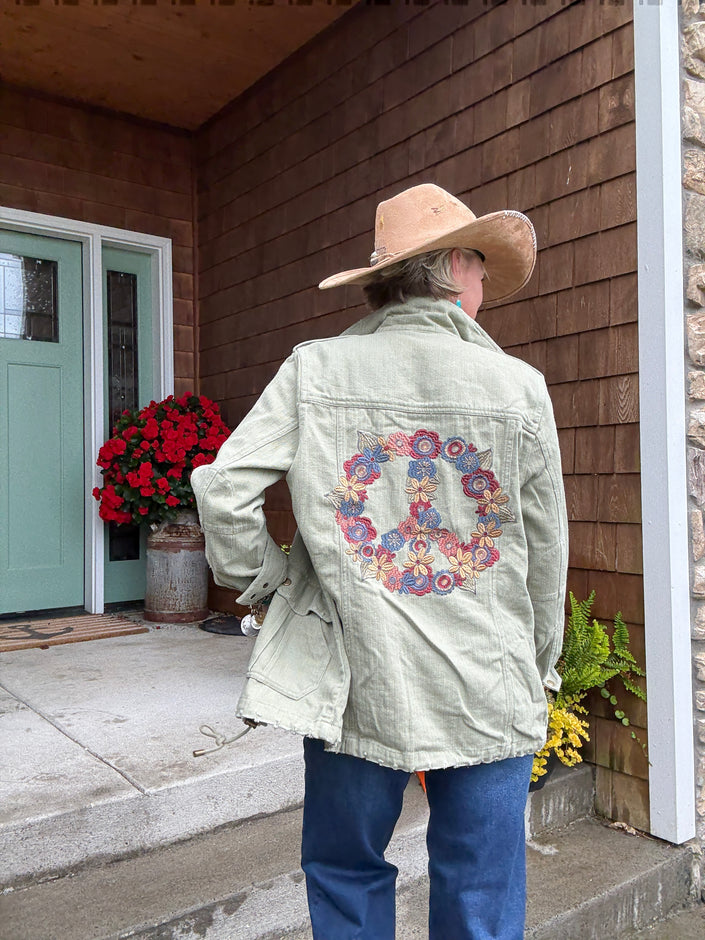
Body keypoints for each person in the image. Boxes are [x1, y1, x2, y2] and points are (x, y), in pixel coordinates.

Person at [191, 183, 568, 940]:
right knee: (480, 887)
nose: (483, 287)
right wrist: (537, 660)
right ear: (455, 263)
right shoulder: (518, 387)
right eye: (482, 270)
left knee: (346, 868)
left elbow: (223, 488)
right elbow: (542, 548)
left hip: (354, 672)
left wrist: (269, 587)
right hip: (486, 677)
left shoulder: (316, 369)